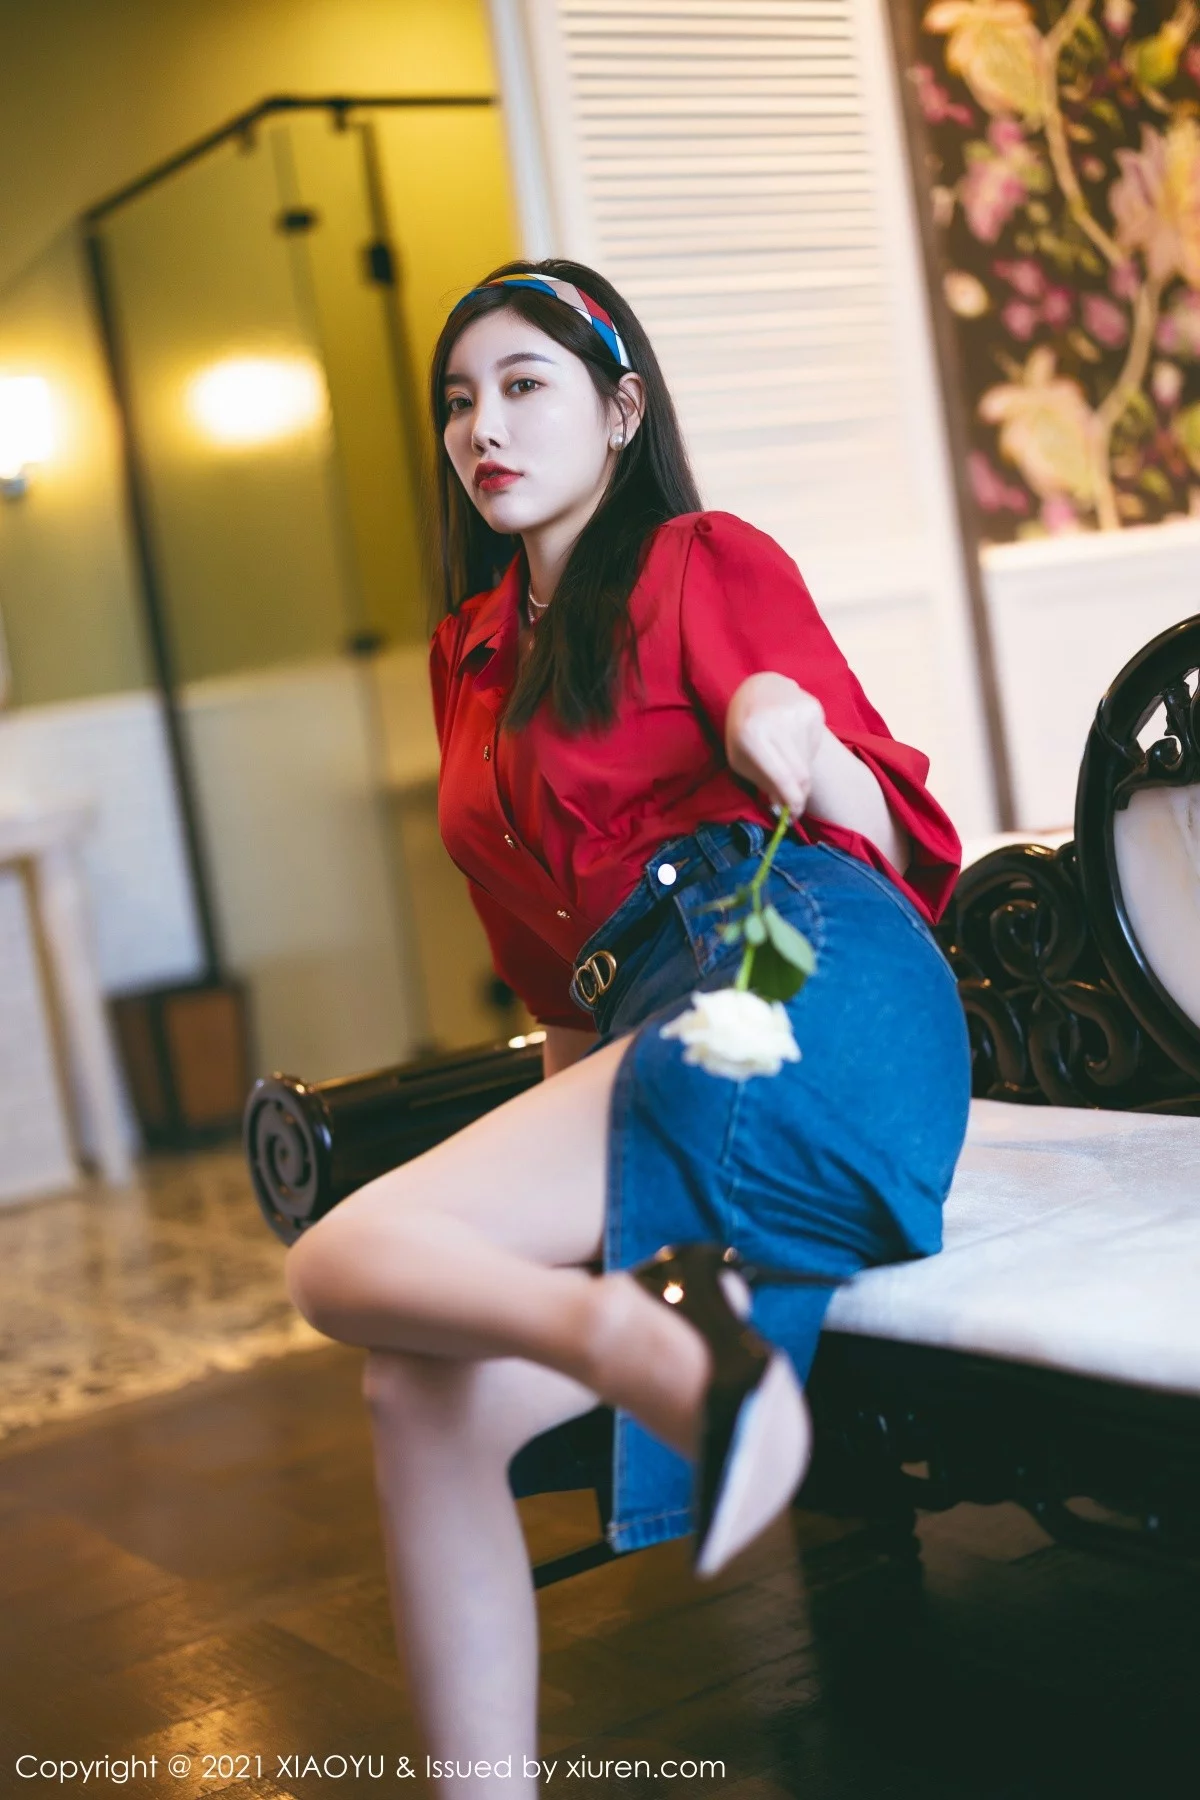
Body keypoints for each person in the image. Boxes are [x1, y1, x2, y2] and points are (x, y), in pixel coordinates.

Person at [284, 260, 972, 1792]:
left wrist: (789, 726)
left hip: (796, 979)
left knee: (338, 1256)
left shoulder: (698, 559)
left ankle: (646, 1332)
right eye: (459, 400)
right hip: (649, 1022)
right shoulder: (470, 658)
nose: (483, 427)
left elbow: (880, 827)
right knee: (417, 1386)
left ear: (621, 408)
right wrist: (561, 1220)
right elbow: (558, 989)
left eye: (525, 385)